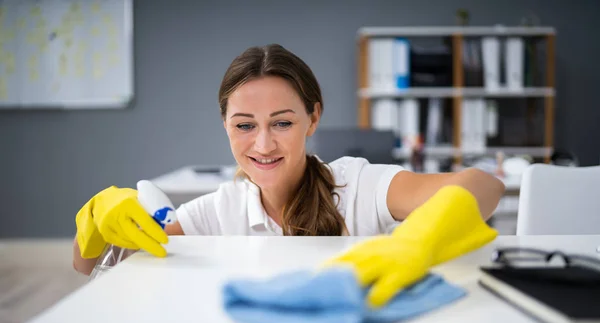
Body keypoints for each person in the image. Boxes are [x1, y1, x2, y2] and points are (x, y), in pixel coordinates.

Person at [73, 43, 505, 280]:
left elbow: (485, 187)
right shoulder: (218, 210)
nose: (263, 144)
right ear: (224, 125)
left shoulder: (356, 185)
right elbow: (95, 267)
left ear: (312, 118)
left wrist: (418, 241)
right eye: (244, 125)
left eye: (281, 123)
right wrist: (92, 227)